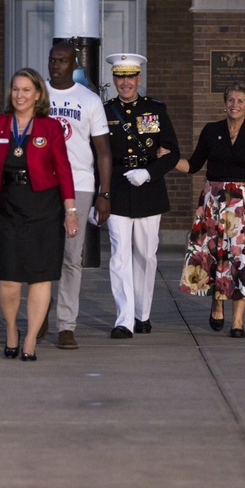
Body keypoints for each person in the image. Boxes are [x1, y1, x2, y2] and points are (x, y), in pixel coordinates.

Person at [0, 68, 77, 361]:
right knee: (9, 276)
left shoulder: (50, 127)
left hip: (44, 206)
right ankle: (11, 330)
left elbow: (64, 171)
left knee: (39, 276)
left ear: (37, 94)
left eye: (25, 90)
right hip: (7, 205)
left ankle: (31, 338)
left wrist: (70, 211)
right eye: (15, 89)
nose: (19, 95)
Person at [174, 82, 245, 338]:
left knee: (242, 259)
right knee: (214, 255)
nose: (235, 105)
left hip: (244, 203)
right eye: (231, 100)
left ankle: (237, 321)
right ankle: (216, 304)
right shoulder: (211, 130)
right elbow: (194, 164)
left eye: (240, 101)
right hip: (213, 202)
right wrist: (169, 159)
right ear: (225, 103)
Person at [103, 53, 180, 338]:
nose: (125, 83)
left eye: (130, 77)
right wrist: (101, 192)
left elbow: (173, 153)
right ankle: (124, 319)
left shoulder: (155, 110)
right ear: (114, 80)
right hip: (118, 188)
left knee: (146, 256)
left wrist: (148, 172)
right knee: (119, 255)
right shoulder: (106, 110)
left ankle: (142, 313)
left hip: (148, 188)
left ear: (138, 79)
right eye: (120, 77)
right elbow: (97, 154)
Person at [45, 40, 112, 349]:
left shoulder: (89, 100)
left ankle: (66, 325)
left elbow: (103, 151)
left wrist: (104, 193)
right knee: (42, 254)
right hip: (42, 184)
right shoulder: (36, 94)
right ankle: (39, 314)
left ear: (74, 64)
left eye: (61, 61)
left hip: (80, 183)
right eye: (52, 60)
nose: (55, 65)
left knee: (72, 257)